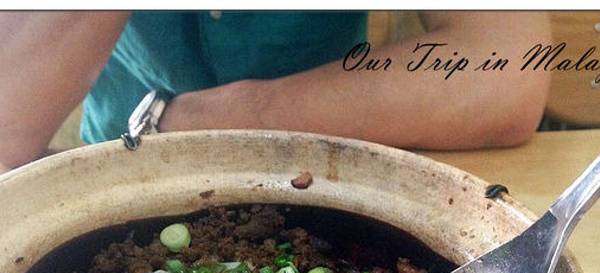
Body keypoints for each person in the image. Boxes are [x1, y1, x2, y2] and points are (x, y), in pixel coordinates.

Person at [0, 11, 552, 172]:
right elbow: (8, 130)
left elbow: (506, 75)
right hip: (118, 165)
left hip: (332, 162)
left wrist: (226, 116)